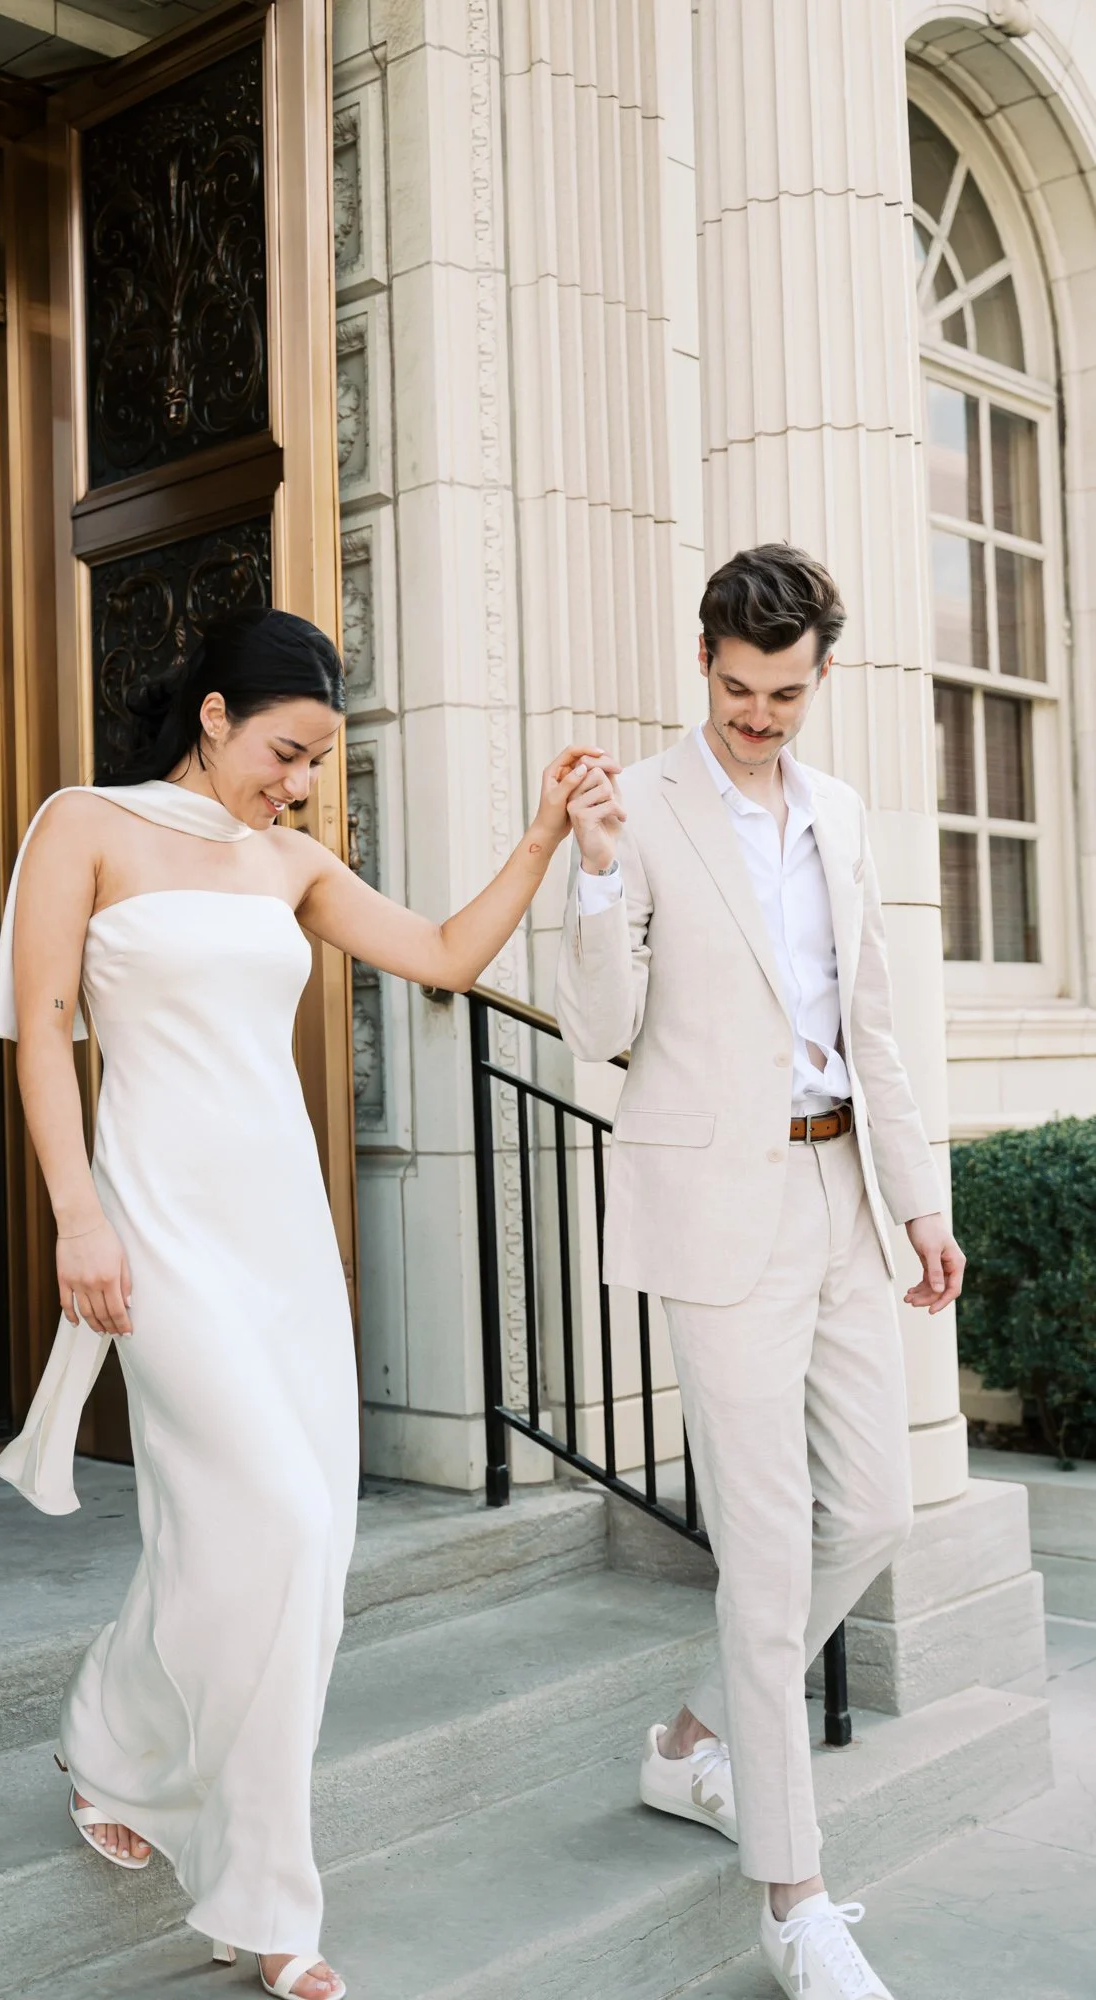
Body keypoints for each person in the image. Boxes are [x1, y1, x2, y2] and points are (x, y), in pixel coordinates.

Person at [0, 606, 617, 2000]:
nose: (301, 780)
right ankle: (270, 1911)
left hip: (282, 1236)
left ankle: (112, 1731)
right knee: (263, 1514)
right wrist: (73, 1215)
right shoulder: (81, 825)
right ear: (214, 715)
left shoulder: (291, 862)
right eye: (287, 749)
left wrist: (539, 839)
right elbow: (40, 1026)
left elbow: (447, 957)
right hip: (153, 1228)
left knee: (299, 1551)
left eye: (321, 759)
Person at [554, 546, 965, 2000]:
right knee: (771, 1550)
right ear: (706, 664)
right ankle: (795, 1899)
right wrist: (599, 876)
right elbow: (600, 1029)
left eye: (784, 695)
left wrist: (918, 1200)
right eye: (737, 690)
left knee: (877, 1504)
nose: (759, 718)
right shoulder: (645, 808)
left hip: (843, 1190)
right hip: (716, 1215)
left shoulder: (839, 814)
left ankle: (694, 1741)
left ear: (819, 677)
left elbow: (876, 1020)